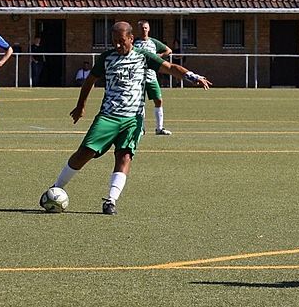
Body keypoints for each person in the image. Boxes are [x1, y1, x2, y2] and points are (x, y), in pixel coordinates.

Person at [44, 21, 211, 215]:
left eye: (121, 41)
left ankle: (110, 201)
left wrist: (192, 76)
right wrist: (81, 105)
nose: (117, 45)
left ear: (131, 39)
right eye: (114, 41)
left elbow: (170, 67)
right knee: (84, 153)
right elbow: (90, 80)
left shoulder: (143, 57)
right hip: (108, 116)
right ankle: (55, 188)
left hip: (133, 119)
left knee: (124, 156)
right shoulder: (106, 58)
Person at [135, 20, 173, 135]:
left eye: (145, 28)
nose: (144, 30)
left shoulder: (153, 42)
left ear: (149, 29)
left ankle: (159, 128)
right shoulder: (134, 43)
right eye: (141, 28)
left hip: (151, 77)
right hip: (138, 78)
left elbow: (168, 50)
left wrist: (159, 56)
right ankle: (140, 129)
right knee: (139, 103)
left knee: (158, 100)